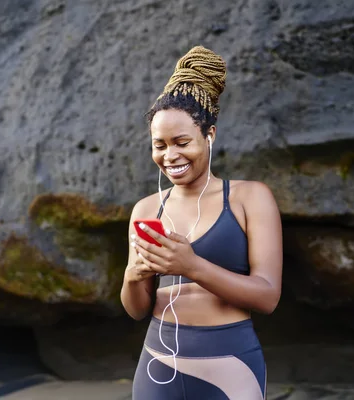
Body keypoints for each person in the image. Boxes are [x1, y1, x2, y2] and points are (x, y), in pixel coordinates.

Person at [120, 45, 283, 400]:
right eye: (159, 145)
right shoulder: (146, 209)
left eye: (182, 142)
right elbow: (136, 310)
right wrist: (133, 276)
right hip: (157, 365)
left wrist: (191, 265)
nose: (170, 155)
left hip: (231, 364)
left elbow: (268, 296)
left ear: (210, 134)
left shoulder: (249, 198)